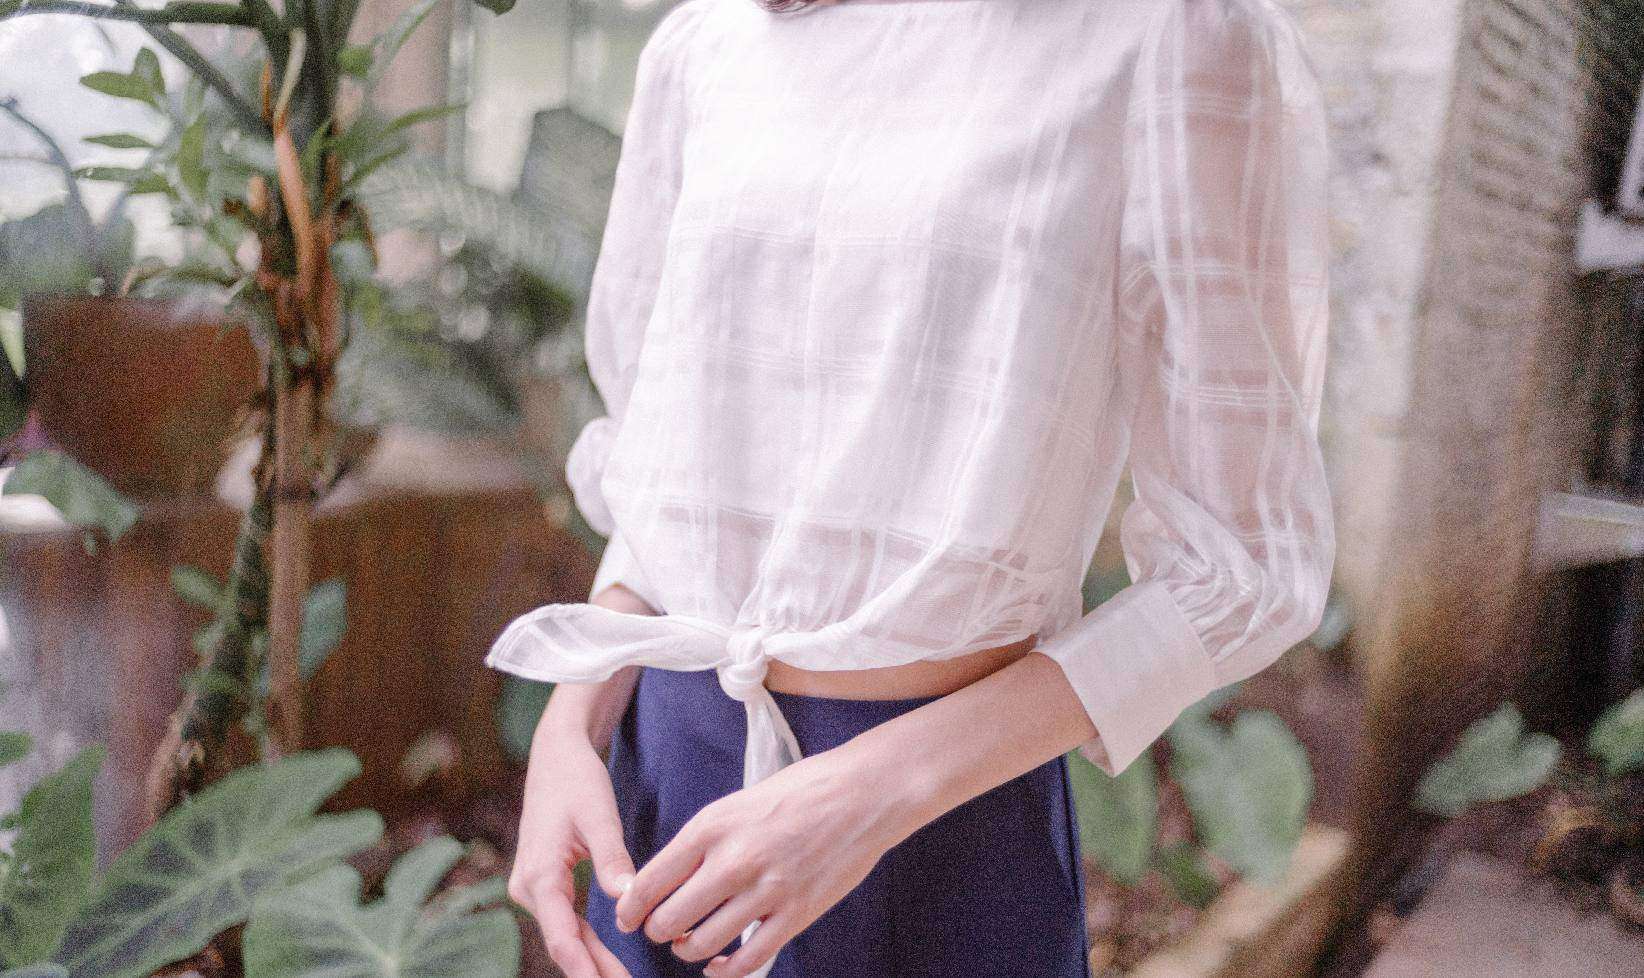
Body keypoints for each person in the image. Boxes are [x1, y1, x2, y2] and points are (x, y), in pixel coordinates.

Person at [490, 0, 1336, 975]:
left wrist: (872, 793)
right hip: (666, 796)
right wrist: (572, 725)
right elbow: (667, 467)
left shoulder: (1171, 37)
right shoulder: (708, 40)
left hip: (940, 829)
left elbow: (1245, 564)